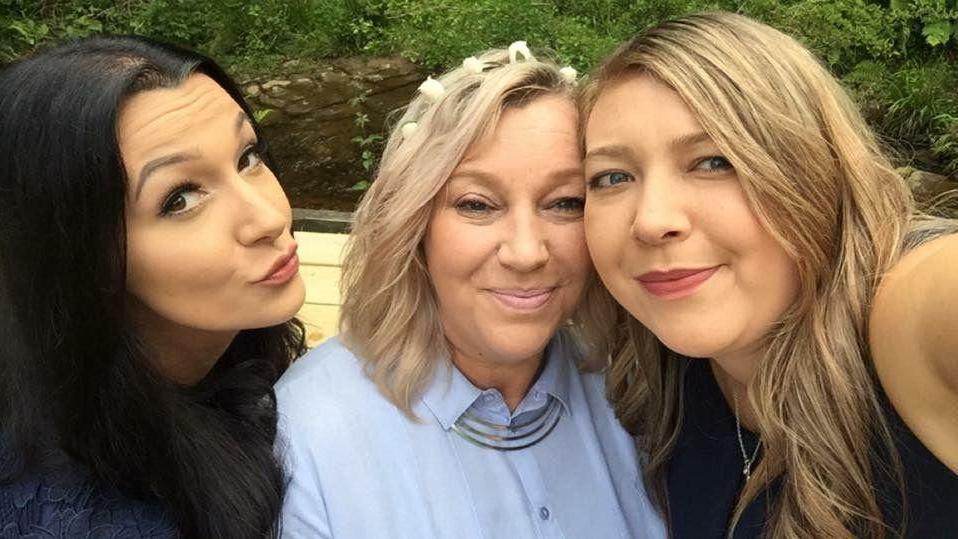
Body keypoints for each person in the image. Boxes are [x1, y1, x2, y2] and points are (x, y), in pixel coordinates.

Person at [579, 11, 958, 539]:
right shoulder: (657, 380)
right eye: (612, 177)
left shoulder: (909, 312)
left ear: (812, 171)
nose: (651, 221)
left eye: (714, 162)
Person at [276, 44, 664, 538]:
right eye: (477, 205)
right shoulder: (308, 435)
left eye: (566, 202)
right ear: (414, 224)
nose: (527, 253)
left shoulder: (640, 391)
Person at [0, 36, 306, 538]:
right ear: (76, 256)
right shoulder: (90, 511)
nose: (269, 217)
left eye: (248, 156)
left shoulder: (226, 345)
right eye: (181, 199)